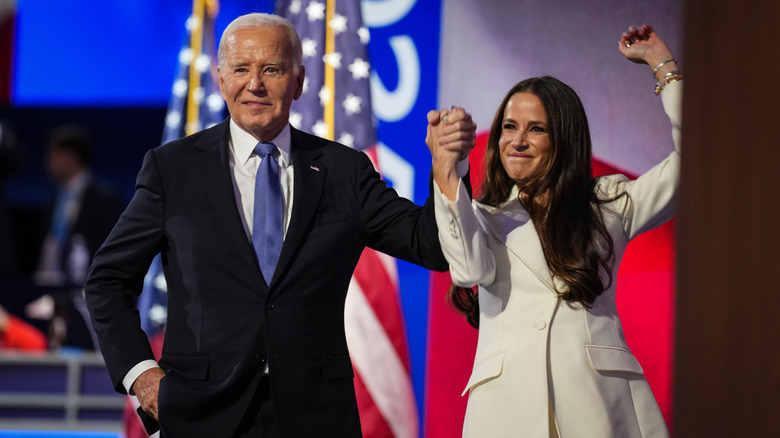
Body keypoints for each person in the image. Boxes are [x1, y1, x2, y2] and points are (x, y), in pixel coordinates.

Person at [85, 12, 476, 438]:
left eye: (271, 69)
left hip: (316, 415)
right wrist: (142, 376)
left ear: (299, 81)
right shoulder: (172, 168)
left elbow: (432, 246)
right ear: (220, 78)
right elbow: (107, 281)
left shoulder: (343, 170)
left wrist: (447, 170)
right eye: (241, 69)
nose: (254, 84)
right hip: (201, 413)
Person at [427, 25, 680, 437]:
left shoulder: (610, 202)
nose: (518, 141)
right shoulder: (480, 215)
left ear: (564, 138)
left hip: (599, 404)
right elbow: (468, 271)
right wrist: (446, 169)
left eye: (536, 129)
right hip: (505, 411)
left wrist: (662, 65)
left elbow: (696, 157)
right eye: (509, 127)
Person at [31, 125, 125, 350]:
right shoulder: (53, 199)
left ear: (70, 157)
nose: (47, 163)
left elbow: (114, 250)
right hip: (50, 287)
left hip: (87, 296)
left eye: (53, 156)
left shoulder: (104, 199)